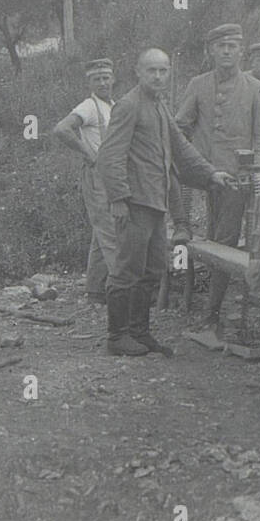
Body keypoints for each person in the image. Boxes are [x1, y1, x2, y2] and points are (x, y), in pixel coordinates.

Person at [97, 48, 236, 356]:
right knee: (126, 269)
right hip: (134, 202)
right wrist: (118, 198)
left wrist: (211, 174)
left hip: (155, 203)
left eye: (163, 71)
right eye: (151, 71)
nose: (158, 76)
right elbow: (110, 156)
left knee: (152, 268)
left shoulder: (159, 107)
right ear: (137, 72)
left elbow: (182, 148)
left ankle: (140, 332)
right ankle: (116, 336)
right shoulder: (129, 106)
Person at [175, 23, 260, 336]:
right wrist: (193, 162)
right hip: (205, 176)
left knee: (225, 240)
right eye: (221, 46)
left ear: (241, 51)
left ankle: (216, 310)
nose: (227, 52)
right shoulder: (198, 84)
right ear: (211, 51)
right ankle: (206, 301)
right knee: (208, 239)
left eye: (233, 46)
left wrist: (255, 175)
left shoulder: (257, 89)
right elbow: (179, 128)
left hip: (238, 180)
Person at [52, 58, 119, 305]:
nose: (103, 82)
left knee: (101, 231)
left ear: (113, 79)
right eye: (97, 79)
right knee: (110, 230)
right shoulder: (89, 106)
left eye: (106, 77)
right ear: (89, 82)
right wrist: (88, 154)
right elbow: (62, 129)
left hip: (114, 176)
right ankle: (122, 290)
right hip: (97, 177)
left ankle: (94, 291)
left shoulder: (114, 105)